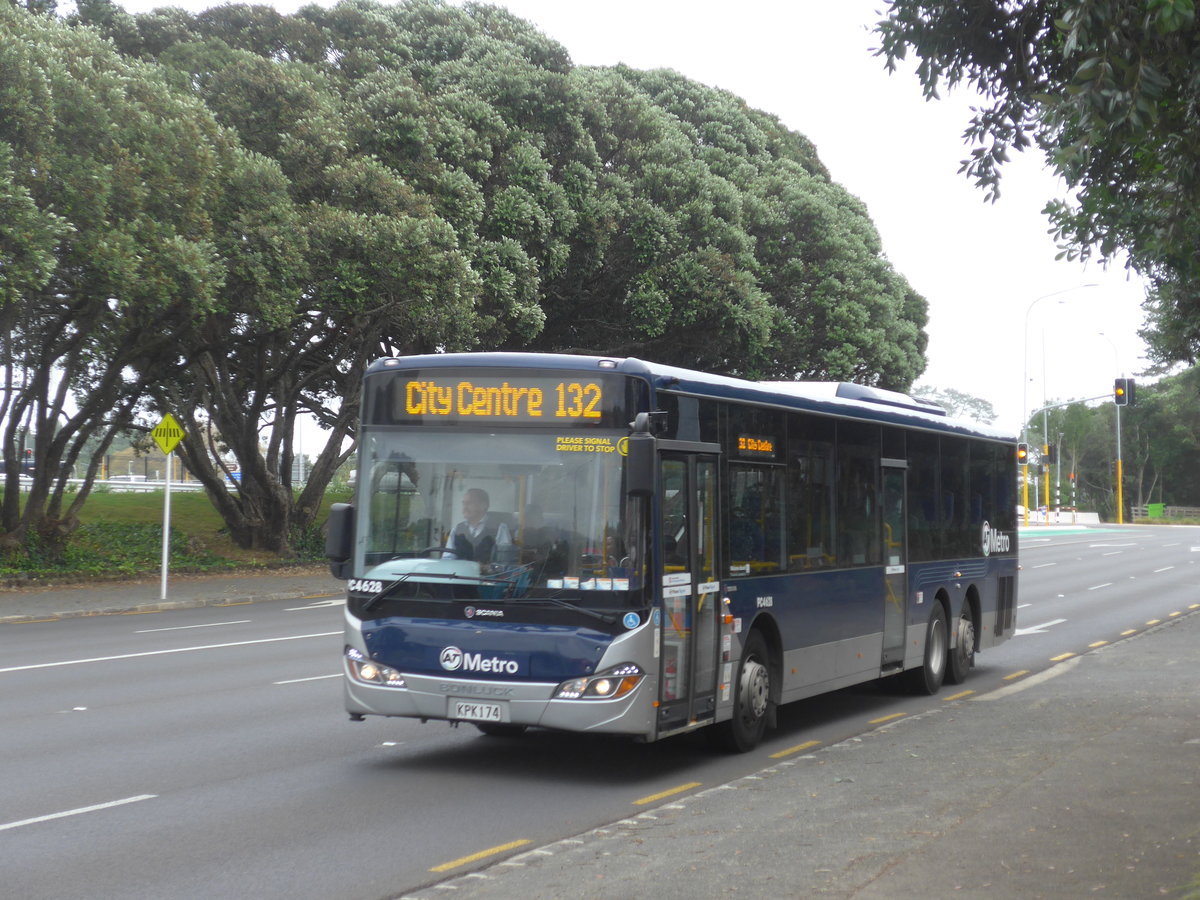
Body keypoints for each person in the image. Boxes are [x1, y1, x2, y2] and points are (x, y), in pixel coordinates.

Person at [448, 488, 512, 563]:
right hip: (461, 574)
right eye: (464, 503)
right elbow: (448, 558)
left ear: (483, 505)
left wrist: (488, 568)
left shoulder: (500, 528)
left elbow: (504, 561)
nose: (464, 508)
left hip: (489, 574)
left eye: (469, 503)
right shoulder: (457, 530)